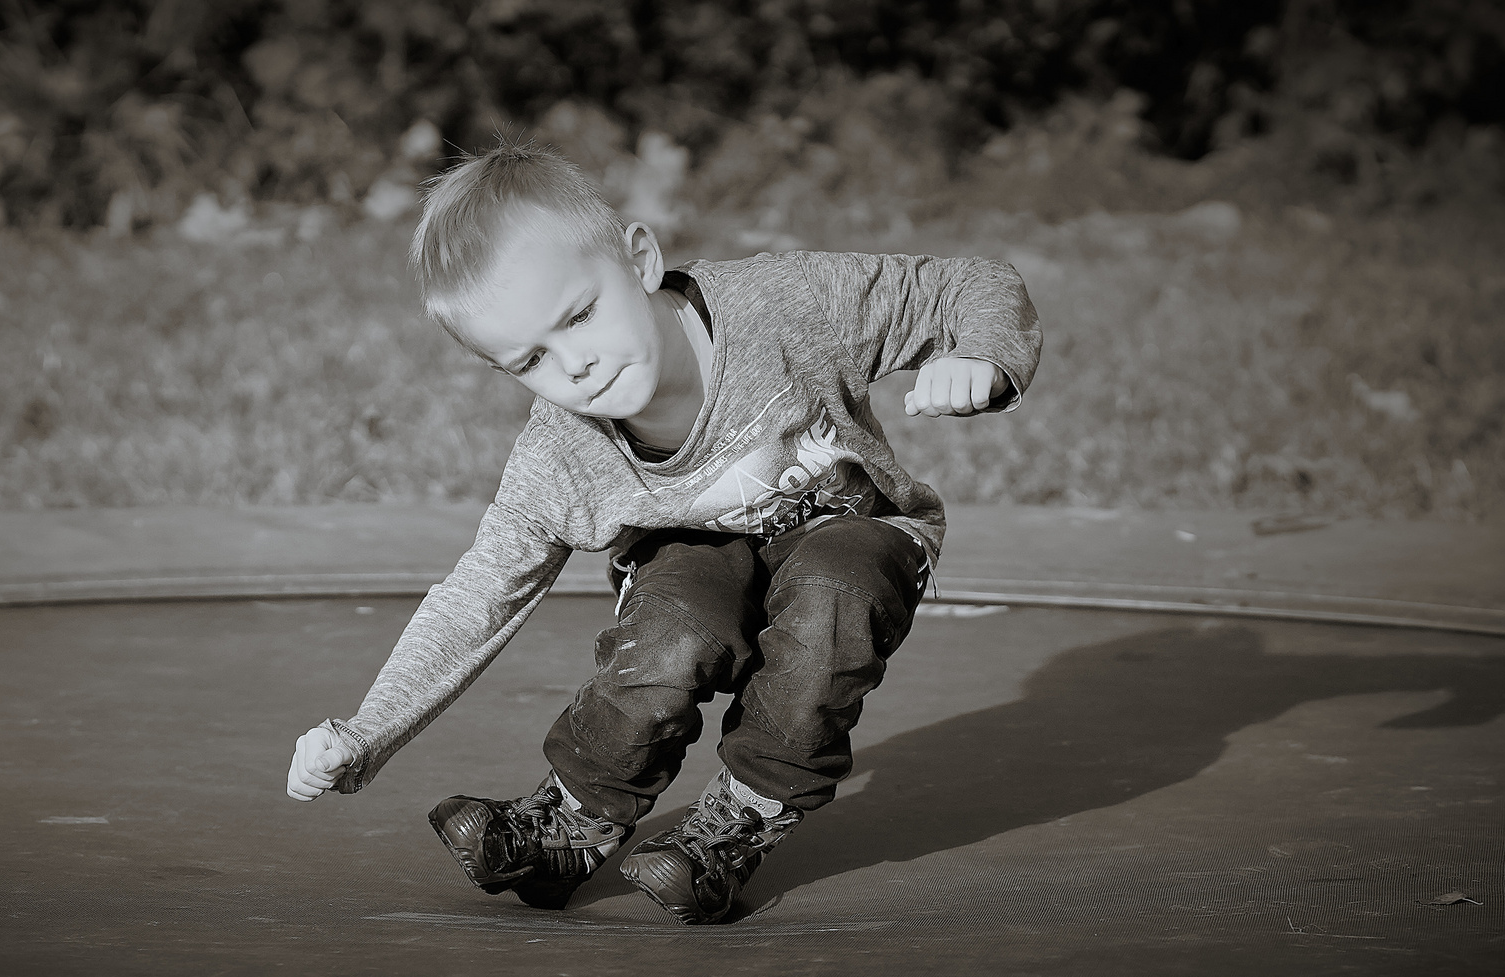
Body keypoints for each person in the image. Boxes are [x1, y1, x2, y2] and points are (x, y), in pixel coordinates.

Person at [285, 140, 1040, 925]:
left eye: (578, 316)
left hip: (855, 532)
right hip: (694, 558)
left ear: (639, 259)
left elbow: (972, 283)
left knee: (830, 591)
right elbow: (476, 596)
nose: (574, 367)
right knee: (672, 632)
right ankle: (567, 825)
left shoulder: (784, 304)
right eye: (529, 360)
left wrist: (981, 355)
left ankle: (739, 822)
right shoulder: (561, 453)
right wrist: (367, 732)